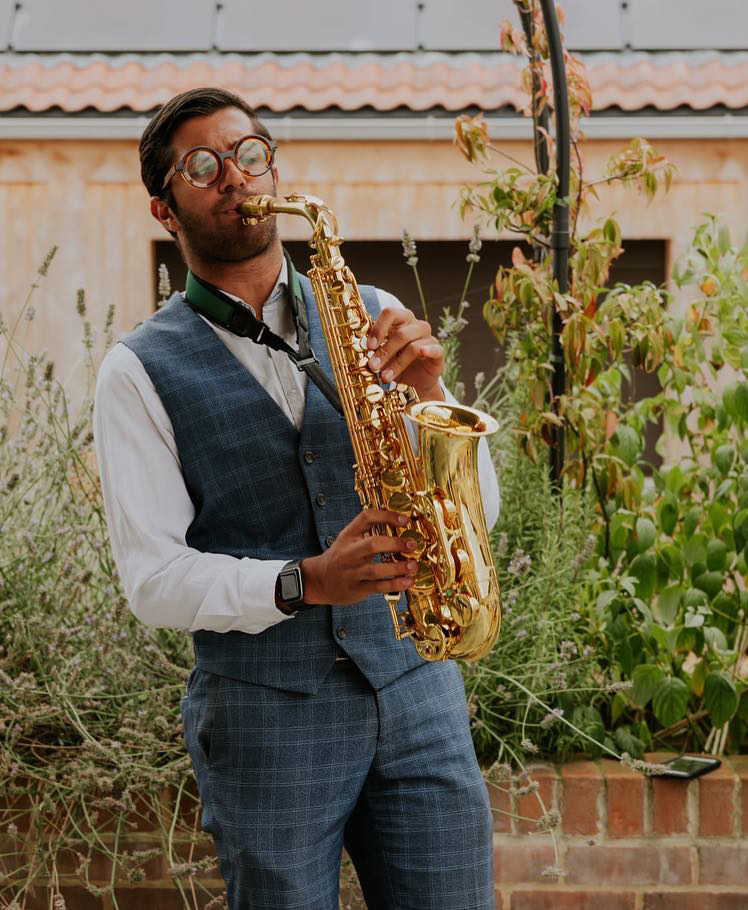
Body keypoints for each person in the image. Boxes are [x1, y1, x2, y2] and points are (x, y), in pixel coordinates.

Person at [92, 86, 497, 910]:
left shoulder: (374, 311)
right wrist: (306, 580)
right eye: (202, 167)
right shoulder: (135, 372)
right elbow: (152, 578)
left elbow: (469, 508)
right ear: (163, 208)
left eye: (249, 154)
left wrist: (430, 387)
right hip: (267, 721)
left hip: (416, 690)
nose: (235, 178)